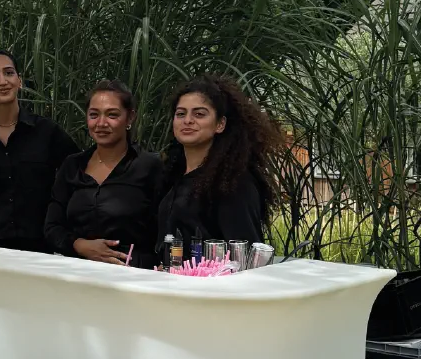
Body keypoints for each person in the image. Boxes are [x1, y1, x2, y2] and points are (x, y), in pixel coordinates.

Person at [0, 49, 78, 251]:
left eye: (9, 73)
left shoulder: (47, 132)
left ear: (19, 81)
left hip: (39, 252)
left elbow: (78, 175)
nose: (2, 81)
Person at [156, 75, 278, 259]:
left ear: (220, 124)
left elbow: (243, 255)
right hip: (168, 284)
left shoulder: (232, 182)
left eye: (199, 114)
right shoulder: (173, 174)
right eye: (181, 113)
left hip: (208, 286)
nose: (187, 120)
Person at [44, 80, 163, 267]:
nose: (101, 123)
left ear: (130, 118)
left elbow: (163, 231)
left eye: (112, 115)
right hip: (76, 273)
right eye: (93, 115)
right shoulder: (72, 165)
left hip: (134, 276)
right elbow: (52, 227)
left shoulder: (149, 166)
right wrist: (79, 245)